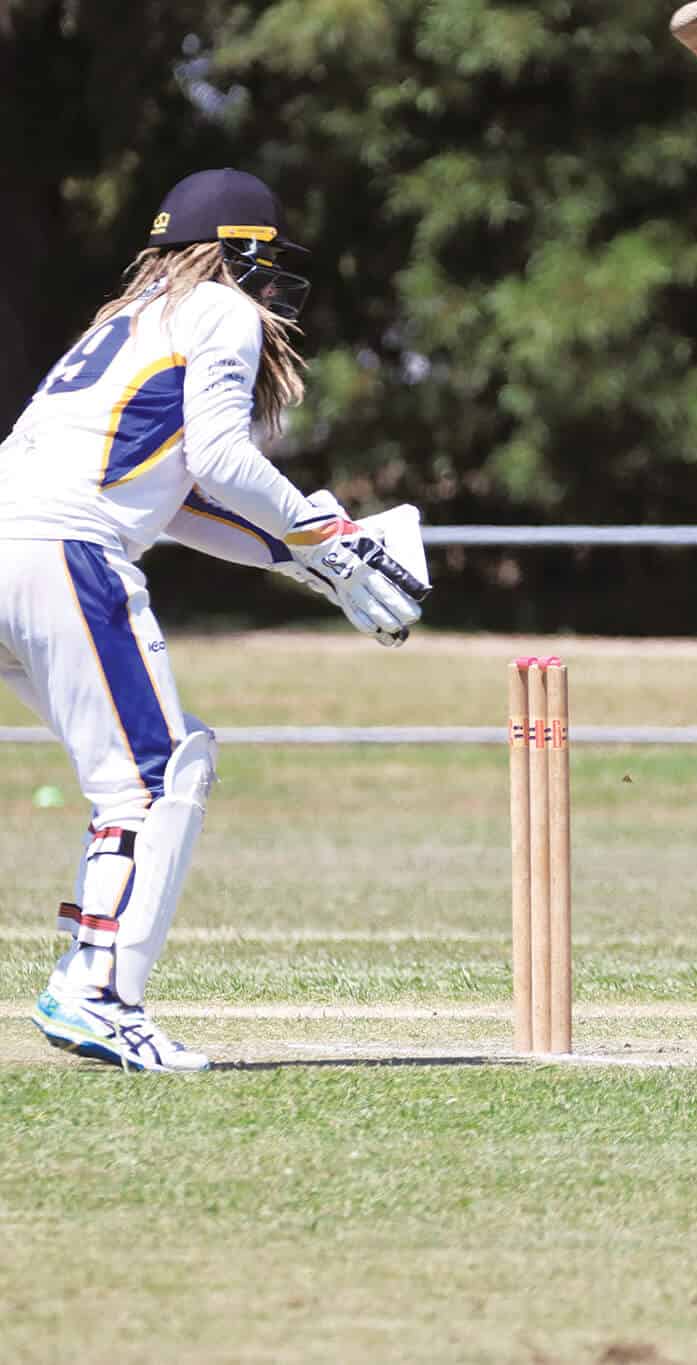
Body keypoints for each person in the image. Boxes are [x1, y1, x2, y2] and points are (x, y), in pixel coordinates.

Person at [0, 168, 428, 1072]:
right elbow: (225, 458)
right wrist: (328, 534)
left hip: (21, 540)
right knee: (155, 779)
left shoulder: (125, 318)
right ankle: (98, 994)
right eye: (266, 271)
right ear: (235, 255)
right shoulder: (218, 310)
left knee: (156, 764)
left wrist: (305, 555)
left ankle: (92, 970)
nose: (273, 296)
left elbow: (182, 495)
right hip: (61, 553)